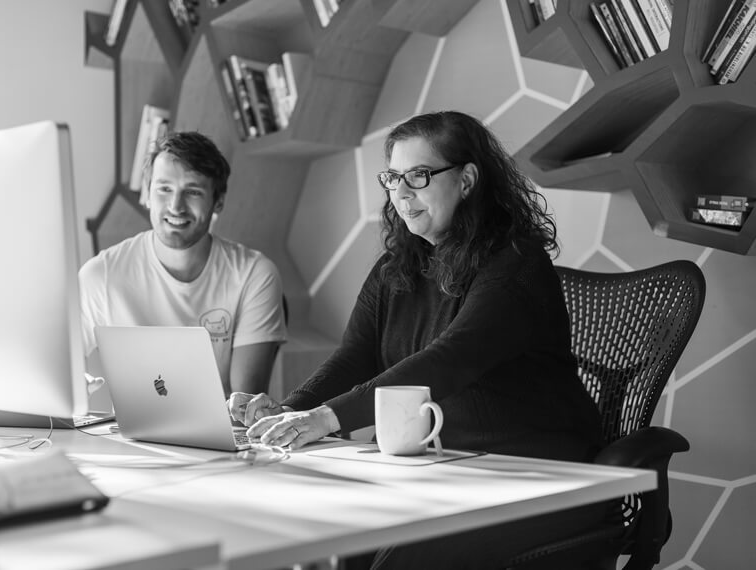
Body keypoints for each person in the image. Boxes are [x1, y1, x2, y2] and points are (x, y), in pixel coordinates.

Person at [228, 111, 606, 569]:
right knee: (332, 535)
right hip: (444, 469)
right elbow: (355, 357)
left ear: (467, 179)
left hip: (537, 476)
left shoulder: (517, 264)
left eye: (419, 176)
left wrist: (325, 419)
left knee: (398, 556)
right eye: (393, 178)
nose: (401, 194)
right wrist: (291, 413)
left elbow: (448, 360)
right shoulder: (398, 266)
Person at [80, 131, 286, 397]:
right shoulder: (100, 275)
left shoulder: (254, 274)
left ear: (218, 201)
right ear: (147, 194)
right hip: (128, 436)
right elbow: (58, 368)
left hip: (221, 436)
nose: (176, 206)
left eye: (193, 192)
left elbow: (244, 405)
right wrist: (75, 385)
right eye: (164, 189)